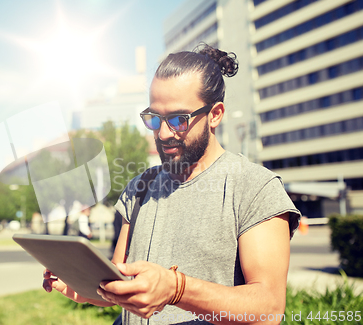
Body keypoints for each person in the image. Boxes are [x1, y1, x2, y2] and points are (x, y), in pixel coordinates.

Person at [43, 44, 300, 325]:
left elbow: (269, 309)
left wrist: (177, 289)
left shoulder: (255, 187)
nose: (164, 133)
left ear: (215, 114)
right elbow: (121, 283)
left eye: (179, 119)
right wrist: (80, 286)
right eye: (155, 118)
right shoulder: (139, 188)